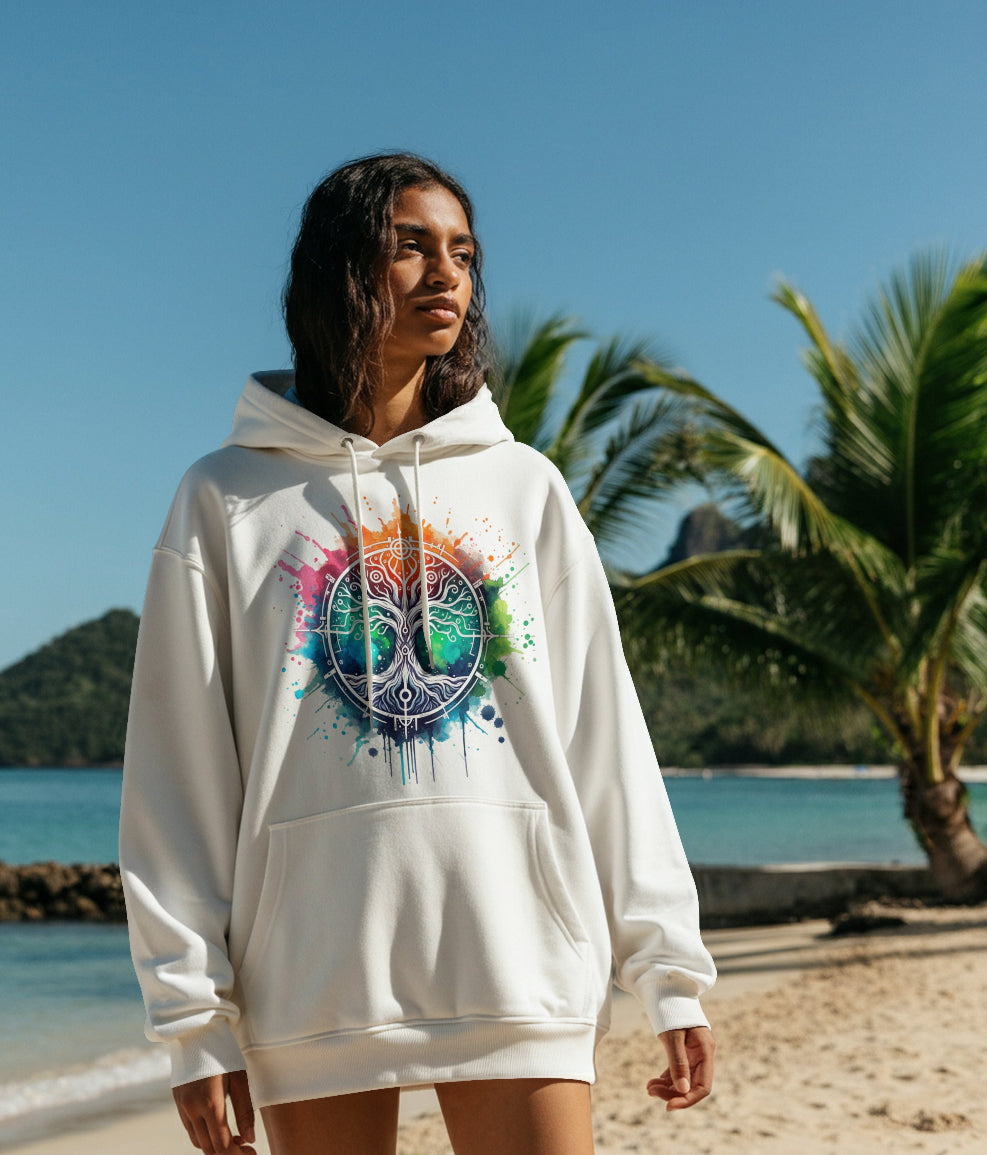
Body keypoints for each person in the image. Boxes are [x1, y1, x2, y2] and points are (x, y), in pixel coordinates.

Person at [119, 152, 717, 1155]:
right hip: (312, 984)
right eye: (410, 247)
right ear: (340, 269)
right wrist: (192, 1020)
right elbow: (178, 776)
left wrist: (669, 970)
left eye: (463, 252)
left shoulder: (524, 488)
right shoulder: (223, 499)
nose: (448, 274)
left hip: (521, 962)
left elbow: (605, 740)